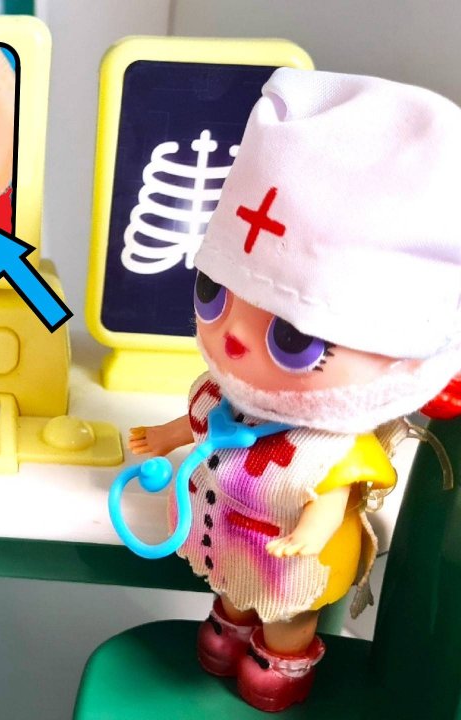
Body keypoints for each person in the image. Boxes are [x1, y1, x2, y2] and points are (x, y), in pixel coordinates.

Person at [129, 69, 461, 712]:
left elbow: (331, 495)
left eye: (292, 337)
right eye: (213, 292)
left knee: (287, 613)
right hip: (228, 541)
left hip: (291, 562)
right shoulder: (218, 398)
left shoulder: (330, 447)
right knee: (234, 596)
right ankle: (230, 627)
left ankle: (280, 660)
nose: (233, 340)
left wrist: (312, 529)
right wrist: (165, 437)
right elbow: (201, 429)